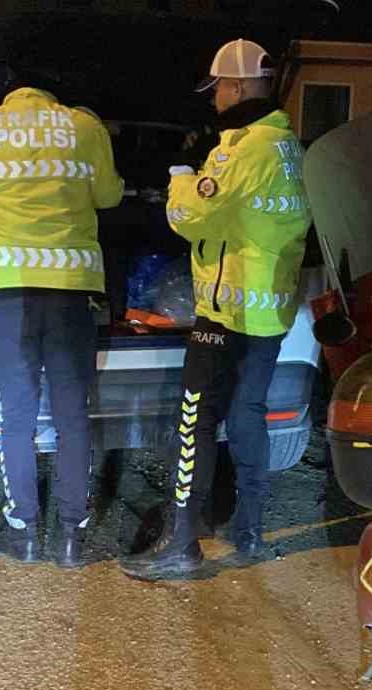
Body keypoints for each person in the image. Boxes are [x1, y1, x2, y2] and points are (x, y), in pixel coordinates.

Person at [121, 39, 313, 581]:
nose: (215, 100)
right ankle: (247, 529)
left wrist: (181, 174)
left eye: (220, 88)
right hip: (269, 309)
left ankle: (181, 541)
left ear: (240, 86)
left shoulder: (239, 149)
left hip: (226, 311)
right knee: (249, 414)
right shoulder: (288, 147)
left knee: (195, 421)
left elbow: (191, 217)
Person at [0, 70, 124, 567]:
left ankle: (23, 530)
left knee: (16, 417)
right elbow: (109, 197)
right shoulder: (85, 128)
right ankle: (71, 536)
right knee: (73, 417)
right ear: (51, 94)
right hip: (72, 294)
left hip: (9, 295)